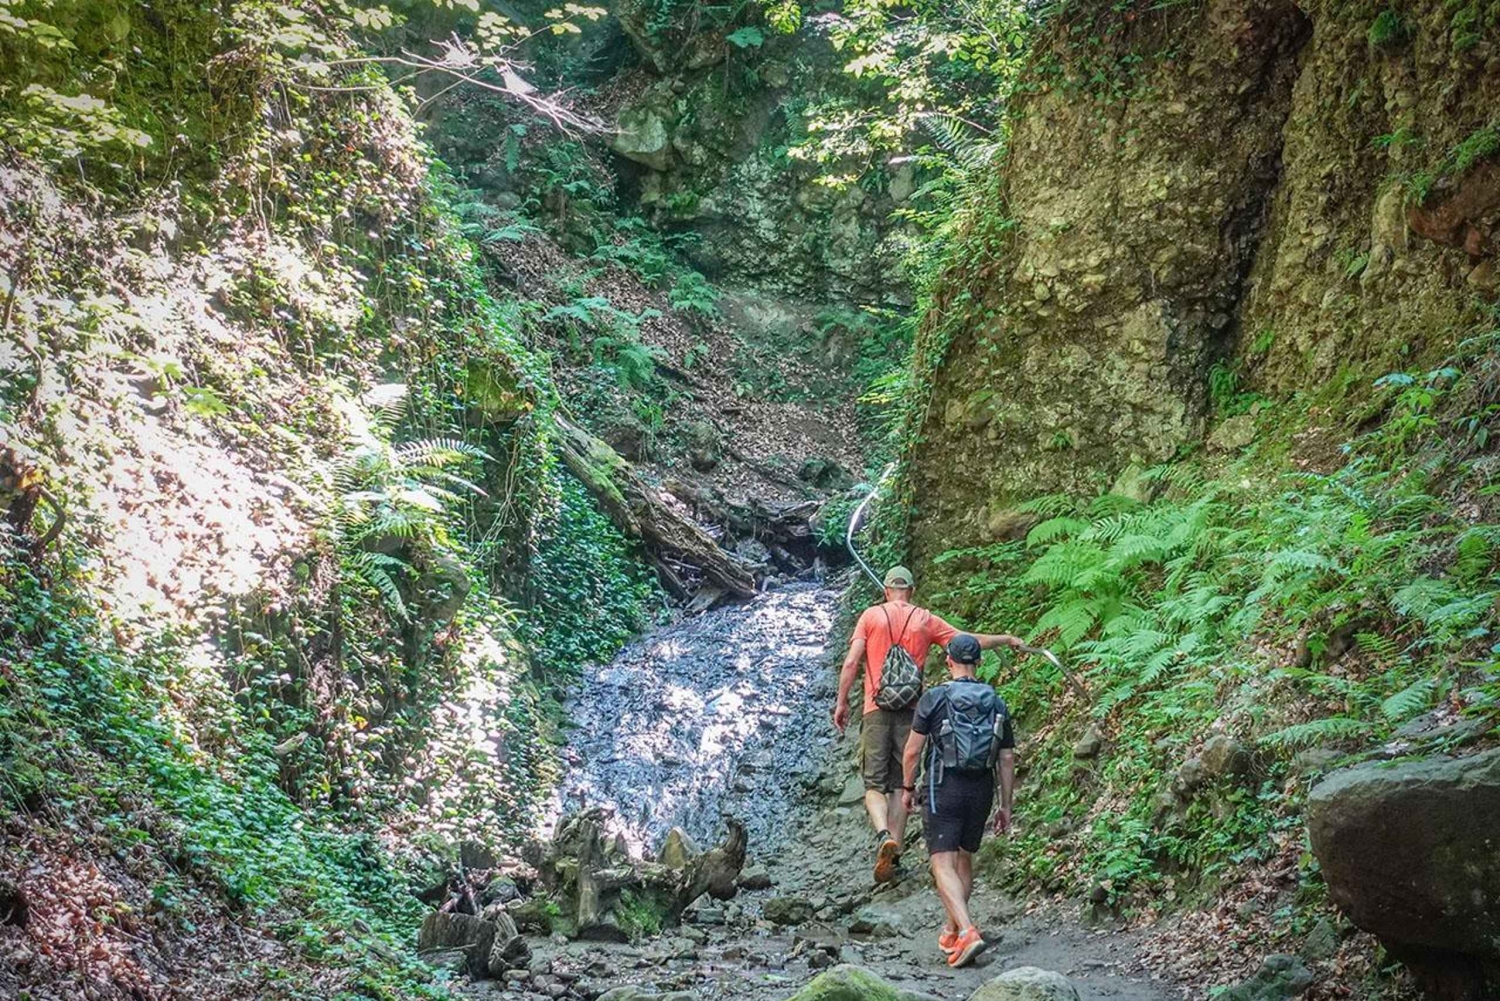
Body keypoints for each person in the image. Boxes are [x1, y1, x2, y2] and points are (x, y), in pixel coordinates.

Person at [833, 565, 1024, 884]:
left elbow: (852, 661)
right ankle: (894, 856)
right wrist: (1006, 639)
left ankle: (883, 836)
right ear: (911, 589)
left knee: (873, 786)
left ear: (886, 590)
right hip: (912, 710)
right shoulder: (924, 619)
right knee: (901, 785)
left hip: (875, 708)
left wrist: (841, 702)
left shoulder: (871, 616)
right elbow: (967, 642)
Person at [900, 633, 1015, 968]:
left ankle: (966, 930)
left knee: (942, 862)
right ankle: (952, 929)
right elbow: (1006, 759)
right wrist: (1005, 805)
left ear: (948, 660)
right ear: (979, 662)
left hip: (943, 786)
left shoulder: (935, 698)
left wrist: (908, 789)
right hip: (981, 788)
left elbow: (911, 751)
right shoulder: (996, 701)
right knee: (964, 859)